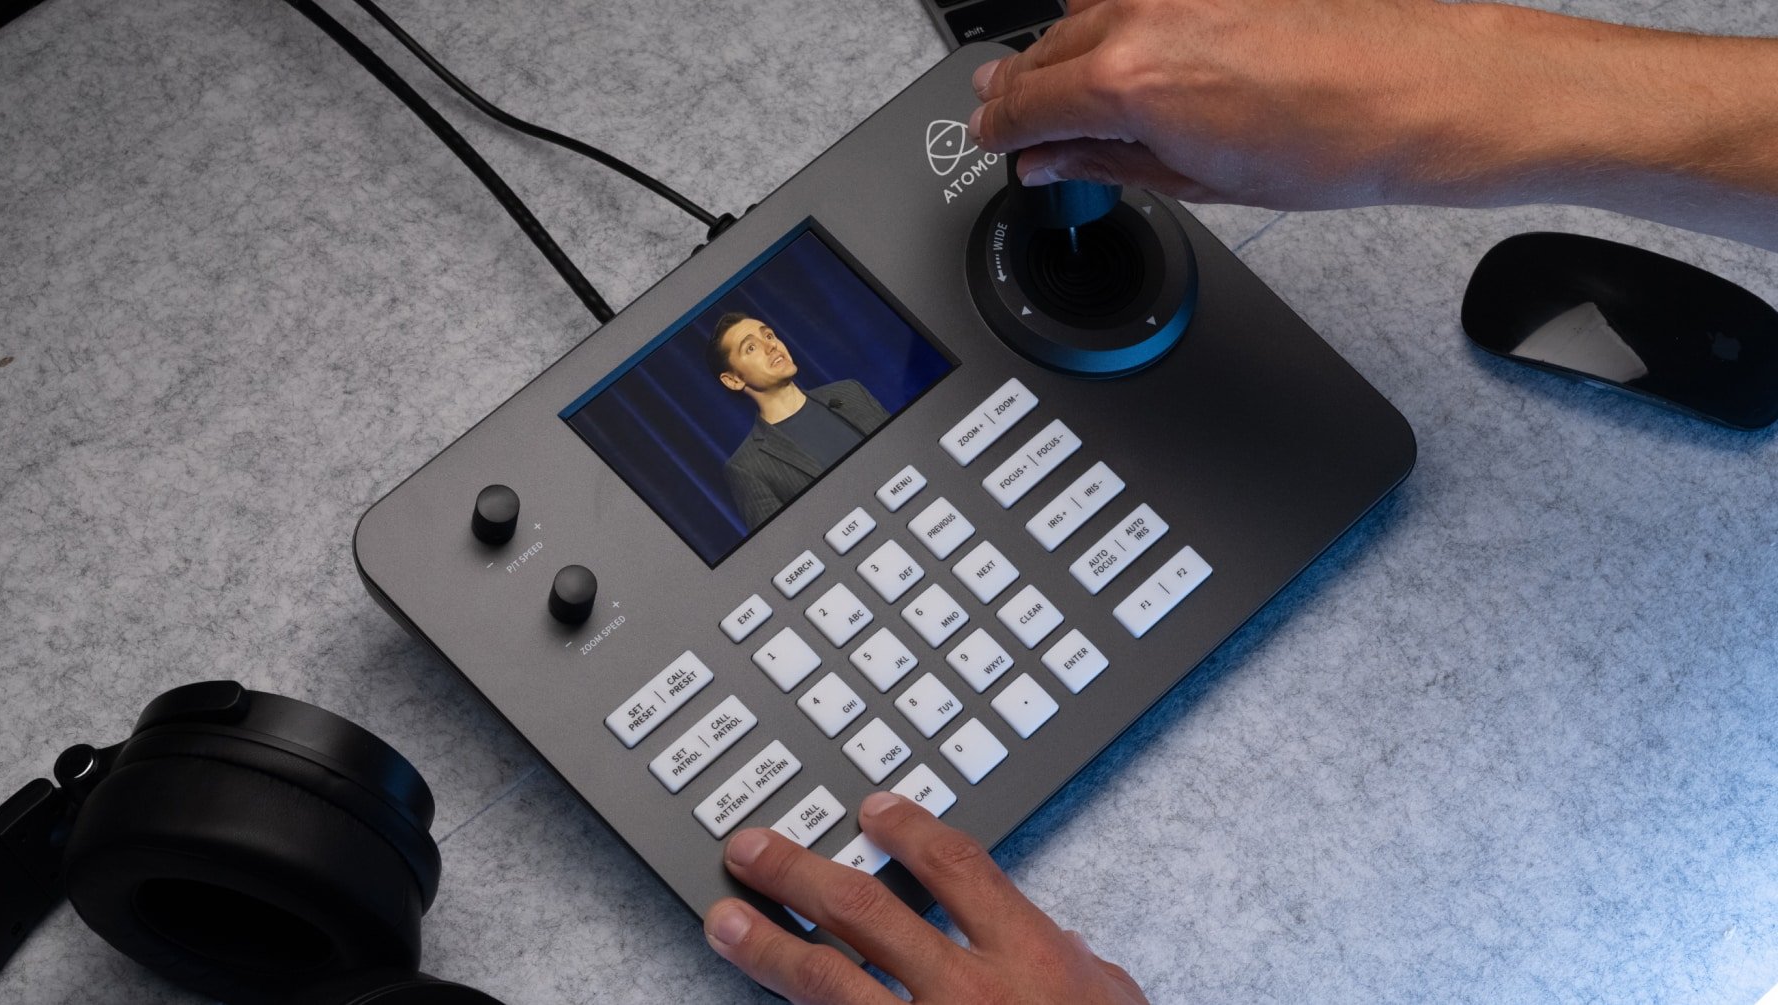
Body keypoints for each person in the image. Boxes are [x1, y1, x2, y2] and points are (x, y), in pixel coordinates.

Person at [703, 2, 1778, 1000]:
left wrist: (1454, 81)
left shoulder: (850, 396)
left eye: (767, 328)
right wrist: (1449, 81)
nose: (772, 343)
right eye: (747, 343)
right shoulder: (758, 467)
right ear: (729, 382)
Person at [710, 312, 891, 528]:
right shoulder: (747, 467)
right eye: (751, 347)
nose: (771, 346)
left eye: (768, 335)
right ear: (733, 380)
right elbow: (786, 540)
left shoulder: (849, 392)